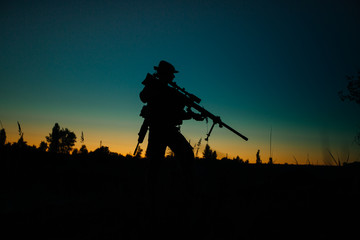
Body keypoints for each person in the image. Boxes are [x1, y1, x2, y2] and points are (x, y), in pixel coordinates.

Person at [139, 60, 204, 193]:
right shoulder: (155, 86)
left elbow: (175, 112)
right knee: (155, 164)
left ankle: (179, 187)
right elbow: (144, 97)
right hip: (160, 130)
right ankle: (155, 193)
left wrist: (191, 115)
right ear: (165, 74)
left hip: (166, 129)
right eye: (171, 74)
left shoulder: (169, 91)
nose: (173, 77)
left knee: (179, 157)